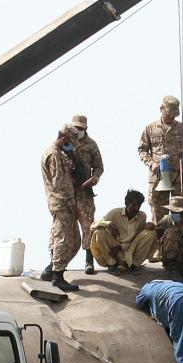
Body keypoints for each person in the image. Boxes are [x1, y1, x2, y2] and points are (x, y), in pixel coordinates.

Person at [137, 95, 183, 224]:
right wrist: (151, 163)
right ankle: (161, 236)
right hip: (158, 177)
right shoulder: (150, 128)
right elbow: (142, 150)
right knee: (159, 216)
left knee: (180, 215)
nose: (171, 117)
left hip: (178, 178)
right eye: (169, 114)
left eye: (174, 115)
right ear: (161, 109)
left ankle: (177, 235)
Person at [40, 125, 82, 292]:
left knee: (74, 241)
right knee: (63, 240)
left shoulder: (58, 154)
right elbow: (60, 185)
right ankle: (57, 277)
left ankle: (51, 269)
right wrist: (73, 206)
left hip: (62, 204)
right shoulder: (54, 155)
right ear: (64, 139)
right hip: (62, 204)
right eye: (70, 142)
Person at [68, 115, 104, 275]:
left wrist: (94, 178)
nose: (77, 131)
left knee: (88, 226)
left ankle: (89, 260)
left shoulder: (91, 145)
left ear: (86, 129)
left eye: (80, 128)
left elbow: (99, 166)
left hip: (84, 192)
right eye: (75, 128)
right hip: (68, 191)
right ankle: (57, 263)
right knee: (64, 227)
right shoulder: (66, 142)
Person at [92, 189, 158, 273]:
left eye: (139, 205)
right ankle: (112, 265)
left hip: (130, 252)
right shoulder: (115, 213)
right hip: (113, 253)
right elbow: (93, 225)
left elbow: (137, 239)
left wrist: (149, 226)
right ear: (126, 203)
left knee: (151, 233)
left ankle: (134, 265)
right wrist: (108, 224)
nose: (136, 208)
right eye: (134, 205)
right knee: (99, 232)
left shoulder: (142, 216)